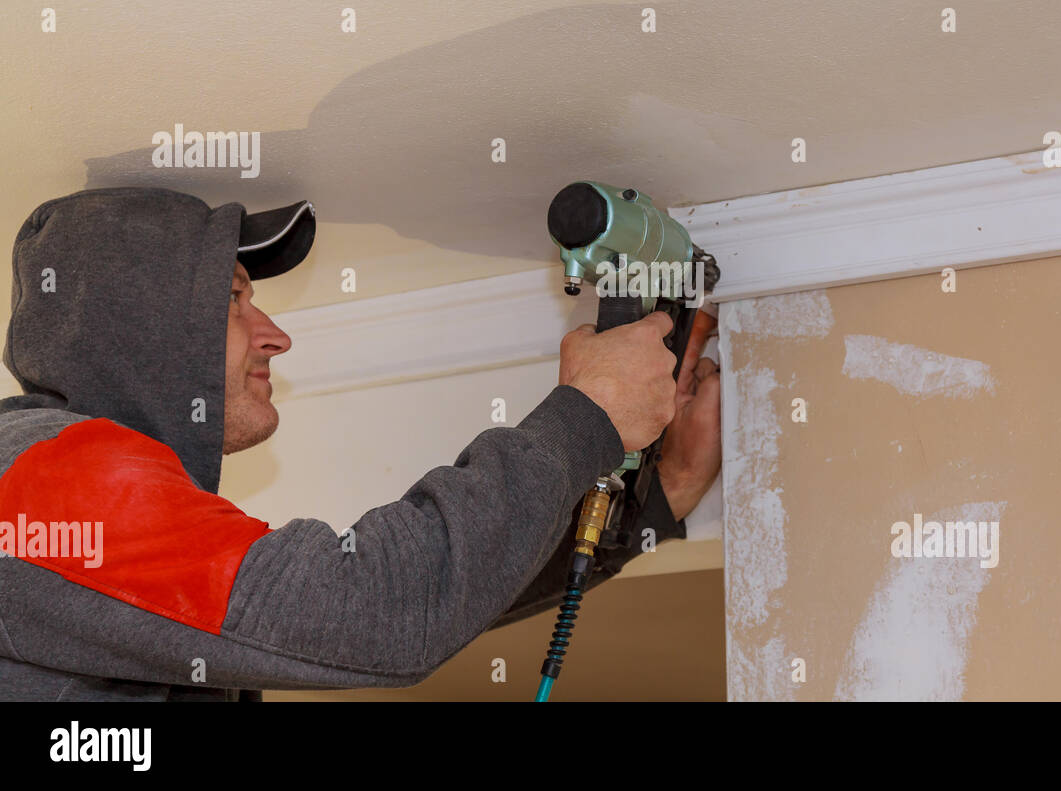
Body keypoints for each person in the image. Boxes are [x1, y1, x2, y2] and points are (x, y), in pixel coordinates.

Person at [0, 186, 721, 700]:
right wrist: (582, 417)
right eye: (232, 298)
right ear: (143, 327)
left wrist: (657, 502)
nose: (276, 334)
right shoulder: (43, 482)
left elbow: (406, 607)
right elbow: (379, 610)